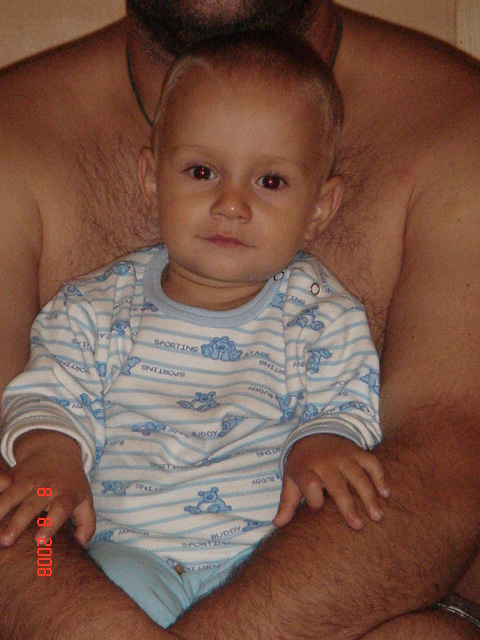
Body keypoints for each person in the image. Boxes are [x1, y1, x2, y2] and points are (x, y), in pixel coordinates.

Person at [0, 1, 478, 638]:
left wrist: (324, 440)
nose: (231, 205)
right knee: (34, 537)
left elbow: (349, 399)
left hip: (283, 559)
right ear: (151, 179)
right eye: (201, 173)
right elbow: (51, 392)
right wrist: (48, 460)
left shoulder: (318, 311)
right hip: (119, 562)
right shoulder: (95, 305)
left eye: (271, 182)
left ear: (321, 208)